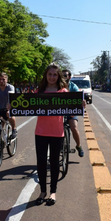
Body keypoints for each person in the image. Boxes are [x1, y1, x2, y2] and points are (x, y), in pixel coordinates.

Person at [34, 63, 69, 206]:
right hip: (41, 132)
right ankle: (42, 191)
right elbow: (26, 105)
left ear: (58, 76)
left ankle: (52, 192)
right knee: (41, 163)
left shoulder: (64, 92)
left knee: (54, 164)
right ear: (46, 75)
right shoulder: (39, 91)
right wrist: (14, 106)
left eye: (55, 74)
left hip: (57, 133)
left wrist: (81, 104)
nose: (52, 77)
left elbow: (72, 107)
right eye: (50, 74)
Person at [62, 69, 84, 157]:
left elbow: (79, 96)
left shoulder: (73, 86)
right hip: (60, 111)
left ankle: (79, 146)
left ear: (69, 77)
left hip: (71, 111)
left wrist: (83, 101)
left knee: (74, 128)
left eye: (65, 75)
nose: (63, 77)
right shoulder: (57, 86)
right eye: (62, 75)